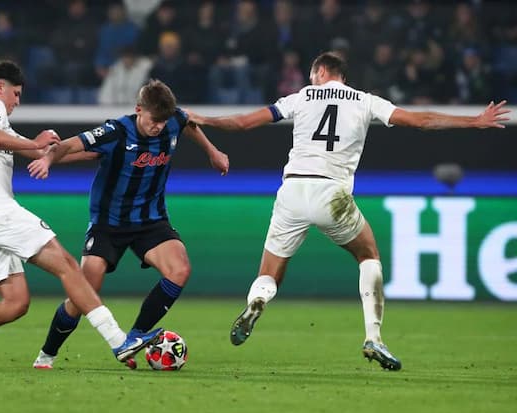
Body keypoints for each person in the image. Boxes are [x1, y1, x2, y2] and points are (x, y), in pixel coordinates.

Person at [187, 51, 510, 371]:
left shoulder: (300, 97)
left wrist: (204, 119)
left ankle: (257, 302)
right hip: (333, 193)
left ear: (321, 71)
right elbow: (421, 121)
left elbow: (243, 124)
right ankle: (374, 337)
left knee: (269, 272)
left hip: (293, 190)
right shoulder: (366, 100)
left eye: (312, 75)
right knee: (368, 255)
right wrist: (474, 121)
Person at [0, 60, 161, 371]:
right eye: (15, 94)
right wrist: (35, 141)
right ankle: (118, 341)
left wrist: (96, 150)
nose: (17, 101)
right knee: (69, 266)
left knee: (15, 303)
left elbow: (35, 151)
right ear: (1, 87)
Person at [27, 79, 229, 369]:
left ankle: (134, 336)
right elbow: (72, 144)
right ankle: (46, 355)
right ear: (138, 110)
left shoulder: (173, 120)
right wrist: (47, 159)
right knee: (83, 295)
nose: (158, 126)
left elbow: (189, 124)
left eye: (162, 121)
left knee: (180, 269)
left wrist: (213, 152)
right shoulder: (117, 130)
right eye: (152, 120)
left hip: (151, 220)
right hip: (108, 224)